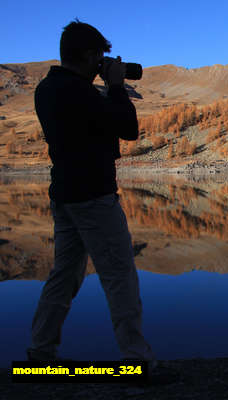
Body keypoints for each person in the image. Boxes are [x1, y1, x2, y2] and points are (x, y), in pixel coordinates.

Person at [27, 20, 157, 370]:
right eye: (100, 55)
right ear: (88, 55)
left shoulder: (47, 88)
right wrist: (115, 86)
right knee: (120, 279)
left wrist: (105, 86)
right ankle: (137, 361)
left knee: (64, 275)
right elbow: (128, 129)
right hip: (94, 198)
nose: (103, 62)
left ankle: (40, 352)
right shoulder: (78, 91)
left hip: (65, 196)